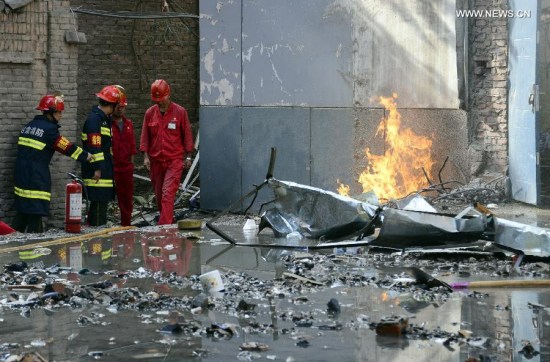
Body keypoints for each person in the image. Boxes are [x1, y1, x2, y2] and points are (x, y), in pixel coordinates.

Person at [13, 94, 93, 233]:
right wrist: (86, 156)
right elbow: (66, 147)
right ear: (51, 112)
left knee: (23, 211)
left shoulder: (29, 126)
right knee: (35, 213)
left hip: (21, 175)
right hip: (36, 176)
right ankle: (35, 250)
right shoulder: (49, 130)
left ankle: (9, 244)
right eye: (59, 112)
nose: (61, 116)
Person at [140, 79, 194, 225]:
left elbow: (187, 135)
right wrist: (145, 157)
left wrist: (188, 156)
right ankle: (169, 219)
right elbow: (145, 136)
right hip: (156, 161)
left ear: (168, 94)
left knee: (167, 194)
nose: (160, 102)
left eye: (162, 99)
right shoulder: (150, 113)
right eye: (157, 99)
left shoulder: (180, 112)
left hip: (174, 160)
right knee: (159, 196)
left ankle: (164, 228)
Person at [81, 85, 123, 226]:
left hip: (103, 170)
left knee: (100, 204)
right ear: (112, 104)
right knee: (98, 206)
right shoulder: (95, 120)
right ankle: (98, 241)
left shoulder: (103, 119)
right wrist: (97, 168)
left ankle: (97, 238)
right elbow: (94, 146)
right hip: (97, 172)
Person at [111, 86, 137, 226]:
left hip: (125, 168)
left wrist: (131, 165)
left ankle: (126, 224)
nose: (121, 109)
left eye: (123, 106)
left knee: (126, 199)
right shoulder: (106, 124)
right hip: (111, 166)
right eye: (118, 106)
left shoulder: (128, 124)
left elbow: (132, 146)